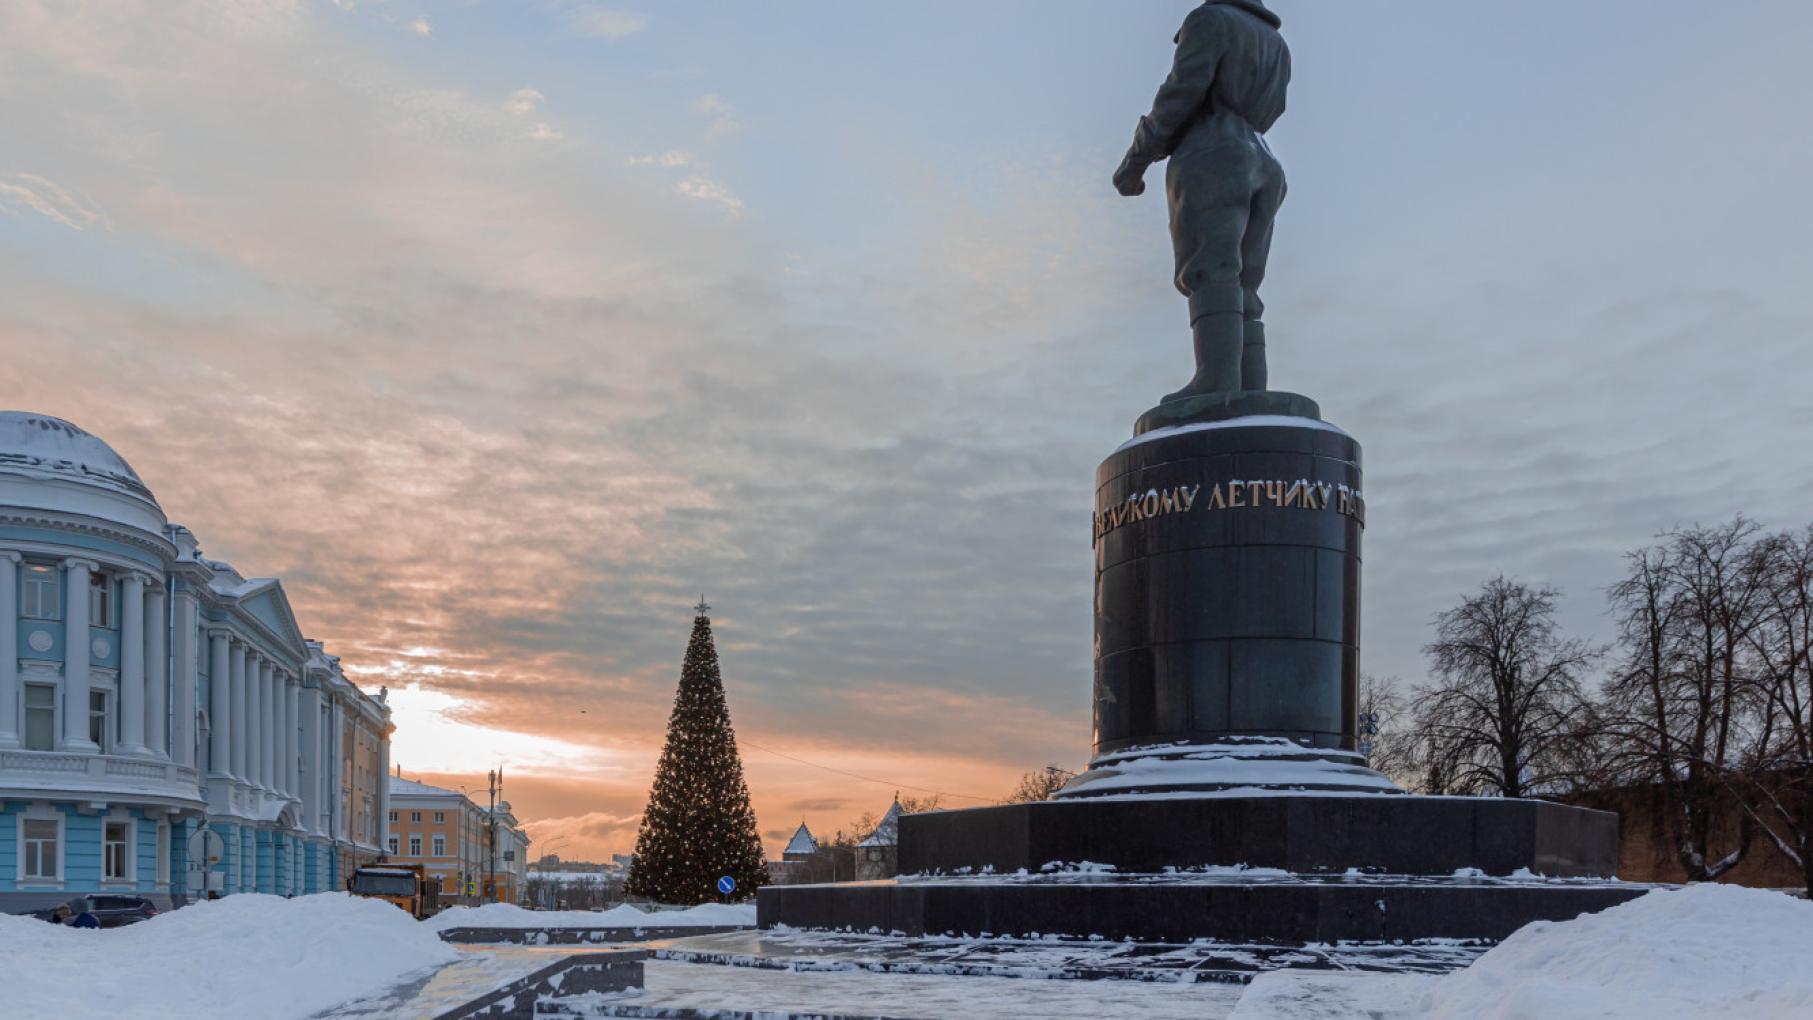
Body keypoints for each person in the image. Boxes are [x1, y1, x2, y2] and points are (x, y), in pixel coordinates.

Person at [1114, 0, 1291, 402]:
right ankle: (1248, 390)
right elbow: (1276, 105)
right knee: (1245, 280)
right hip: (1263, 159)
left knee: (1211, 271)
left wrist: (1135, 161)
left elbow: (1182, 92)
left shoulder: (1210, 19)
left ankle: (1216, 381)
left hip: (1213, 151)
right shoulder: (1276, 41)